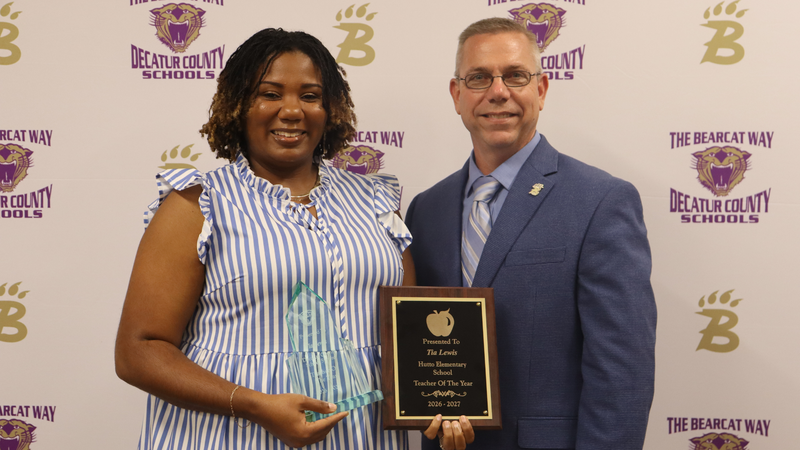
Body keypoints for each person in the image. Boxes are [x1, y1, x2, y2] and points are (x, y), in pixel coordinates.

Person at [115, 28, 416, 450]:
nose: (292, 110)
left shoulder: (376, 201)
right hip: (234, 435)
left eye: (310, 96)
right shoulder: (197, 204)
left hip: (360, 436)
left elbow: (412, 334)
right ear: (238, 105)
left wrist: (450, 401)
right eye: (270, 93)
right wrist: (255, 404)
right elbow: (139, 351)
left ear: (330, 109)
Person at [407, 18, 656, 450]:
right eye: (479, 78)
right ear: (457, 95)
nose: (498, 92)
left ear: (540, 90)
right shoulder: (425, 210)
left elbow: (622, 372)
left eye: (516, 76)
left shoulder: (600, 201)